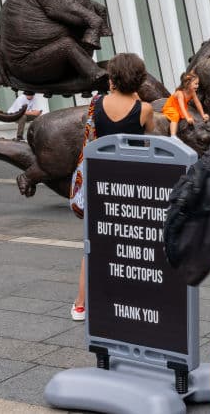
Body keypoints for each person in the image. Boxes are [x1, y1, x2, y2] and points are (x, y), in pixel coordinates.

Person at [71, 53, 155, 321]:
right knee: (131, 244)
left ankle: (80, 304)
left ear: (113, 78)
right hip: (131, 183)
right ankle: (127, 299)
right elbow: (149, 141)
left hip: (100, 180)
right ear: (139, 79)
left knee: (92, 244)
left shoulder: (96, 103)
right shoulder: (144, 110)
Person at [162, 71, 209, 137]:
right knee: (175, 115)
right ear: (188, 83)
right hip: (170, 107)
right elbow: (182, 107)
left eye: (198, 84)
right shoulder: (180, 93)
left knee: (190, 118)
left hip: (179, 108)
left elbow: (197, 103)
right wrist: (187, 118)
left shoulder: (192, 92)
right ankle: (173, 136)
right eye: (195, 84)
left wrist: (203, 115)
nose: (197, 86)